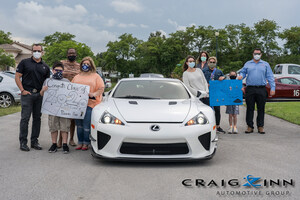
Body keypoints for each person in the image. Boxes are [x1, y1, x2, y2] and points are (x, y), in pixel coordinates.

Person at [15, 44, 50, 151]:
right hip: (27, 94)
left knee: (37, 119)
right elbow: (17, 77)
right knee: (25, 119)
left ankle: (34, 141)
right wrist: (22, 90)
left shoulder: (45, 66)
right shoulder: (24, 63)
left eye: (39, 51)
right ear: (31, 51)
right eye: (35, 50)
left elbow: (47, 82)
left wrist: (43, 93)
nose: (37, 52)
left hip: (39, 95)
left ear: (42, 52)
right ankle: (23, 142)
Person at [237, 48, 275, 134]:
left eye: (258, 53)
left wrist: (273, 88)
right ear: (253, 54)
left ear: (261, 54)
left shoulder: (265, 64)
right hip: (250, 88)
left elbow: (270, 77)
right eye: (255, 53)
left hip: (261, 88)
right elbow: (243, 73)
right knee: (249, 108)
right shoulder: (248, 64)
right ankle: (250, 126)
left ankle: (260, 126)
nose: (257, 55)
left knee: (261, 108)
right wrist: (241, 76)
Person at [72, 57, 105, 150]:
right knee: (79, 125)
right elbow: (71, 88)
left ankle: (86, 142)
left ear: (91, 65)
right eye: (83, 63)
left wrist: (94, 94)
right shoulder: (77, 76)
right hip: (78, 105)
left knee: (86, 125)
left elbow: (101, 88)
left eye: (87, 64)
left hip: (90, 104)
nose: (85, 65)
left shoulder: (96, 76)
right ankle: (80, 142)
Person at [40, 62, 71, 153]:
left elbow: (71, 96)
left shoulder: (67, 82)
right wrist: (43, 90)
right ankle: (54, 144)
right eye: (56, 70)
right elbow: (41, 94)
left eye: (60, 70)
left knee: (64, 126)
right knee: (53, 126)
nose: (58, 72)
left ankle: (65, 144)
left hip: (64, 108)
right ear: (53, 70)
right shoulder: (48, 81)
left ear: (63, 71)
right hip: (52, 108)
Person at [59, 48, 80, 148]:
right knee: (62, 117)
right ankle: (60, 139)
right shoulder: (62, 63)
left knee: (72, 119)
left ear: (76, 54)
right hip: (62, 93)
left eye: (73, 53)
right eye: (70, 53)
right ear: (67, 54)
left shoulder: (79, 66)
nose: (71, 54)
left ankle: (71, 139)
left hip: (74, 95)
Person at [202, 57, 226, 133]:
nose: (212, 63)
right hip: (207, 93)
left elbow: (225, 79)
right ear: (208, 62)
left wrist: (223, 77)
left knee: (217, 110)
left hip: (216, 94)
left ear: (215, 63)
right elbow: (200, 80)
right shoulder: (204, 71)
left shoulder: (219, 71)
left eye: (213, 62)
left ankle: (218, 126)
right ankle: (207, 127)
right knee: (207, 110)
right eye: (211, 62)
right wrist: (205, 85)